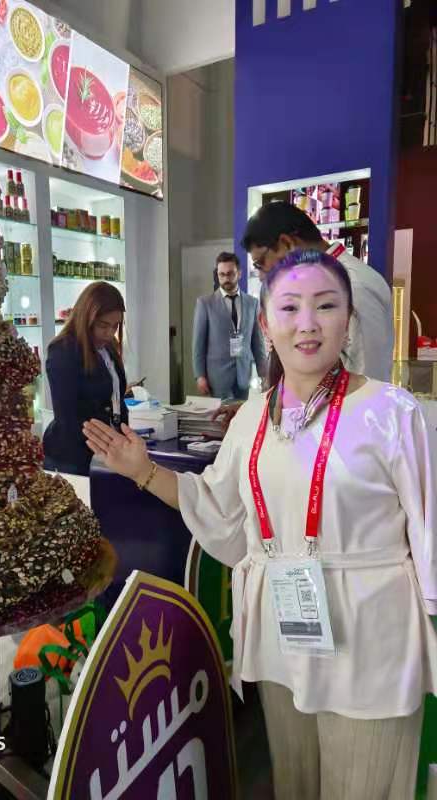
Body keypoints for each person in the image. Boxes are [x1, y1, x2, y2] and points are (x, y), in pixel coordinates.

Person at [84, 249, 437, 800]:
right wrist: (143, 471)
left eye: (326, 306)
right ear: (266, 324)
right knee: (293, 783)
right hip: (284, 630)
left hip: (370, 638)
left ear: (348, 320)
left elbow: (430, 530)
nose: (307, 323)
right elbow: (218, 510)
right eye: (290, 307)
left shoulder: (392, 413)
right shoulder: (252, 416)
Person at [213, 201, 395, 429]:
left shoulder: (353, 285)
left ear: (287, 244)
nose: (261, 276)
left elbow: (365, 376)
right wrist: (260, 410)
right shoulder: (318, 282)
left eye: (261, 264)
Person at [43, 281, 128, 476]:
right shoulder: (63, 351)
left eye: (115, 326)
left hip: (105, 451)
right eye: (103, 325)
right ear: (86, 317)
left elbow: (116, 400)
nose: (110, 333)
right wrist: (107, 446)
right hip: (72, 456)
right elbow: (68, 417)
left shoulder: (108, 347)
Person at [192, 252, 266, 400]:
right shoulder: (205, 304)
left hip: (245, 377)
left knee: (245, 414)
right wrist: (200, 376)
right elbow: (198, 344)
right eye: (222, 274)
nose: (226, 279)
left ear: (239, 273)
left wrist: (264, 373)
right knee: (221, 415)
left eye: (230, 274)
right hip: (217, 379)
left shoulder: (252, 303)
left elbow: (257, 343)